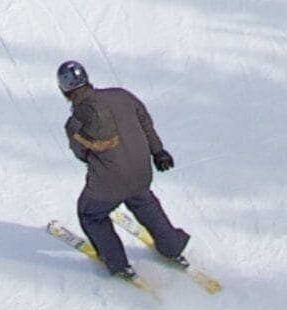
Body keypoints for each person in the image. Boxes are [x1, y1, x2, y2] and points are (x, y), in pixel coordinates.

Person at [57, 59, 189, 277]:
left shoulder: (74, 123)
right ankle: (172, 248)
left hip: (108, 184)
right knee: (143, 199)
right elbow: (145, 121)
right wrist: (158, 152)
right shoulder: (121, 95)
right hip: (141, 172)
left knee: (90, 214)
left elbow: (83, 155)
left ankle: (118, 263)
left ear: (64, 90)